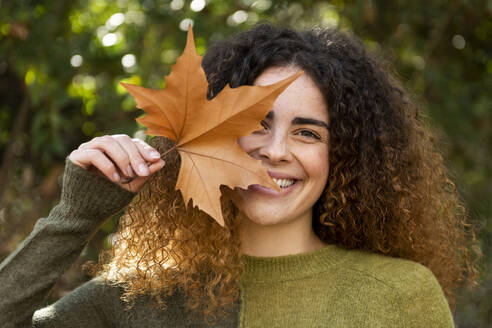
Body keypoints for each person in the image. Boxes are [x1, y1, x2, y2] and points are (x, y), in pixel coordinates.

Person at [0, 23, 480, 327]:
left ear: (348, 157)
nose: (275, 151)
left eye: (308, 133)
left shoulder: (398, 295)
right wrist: (74, 217)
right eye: (256, 124)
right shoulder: (137, 302)